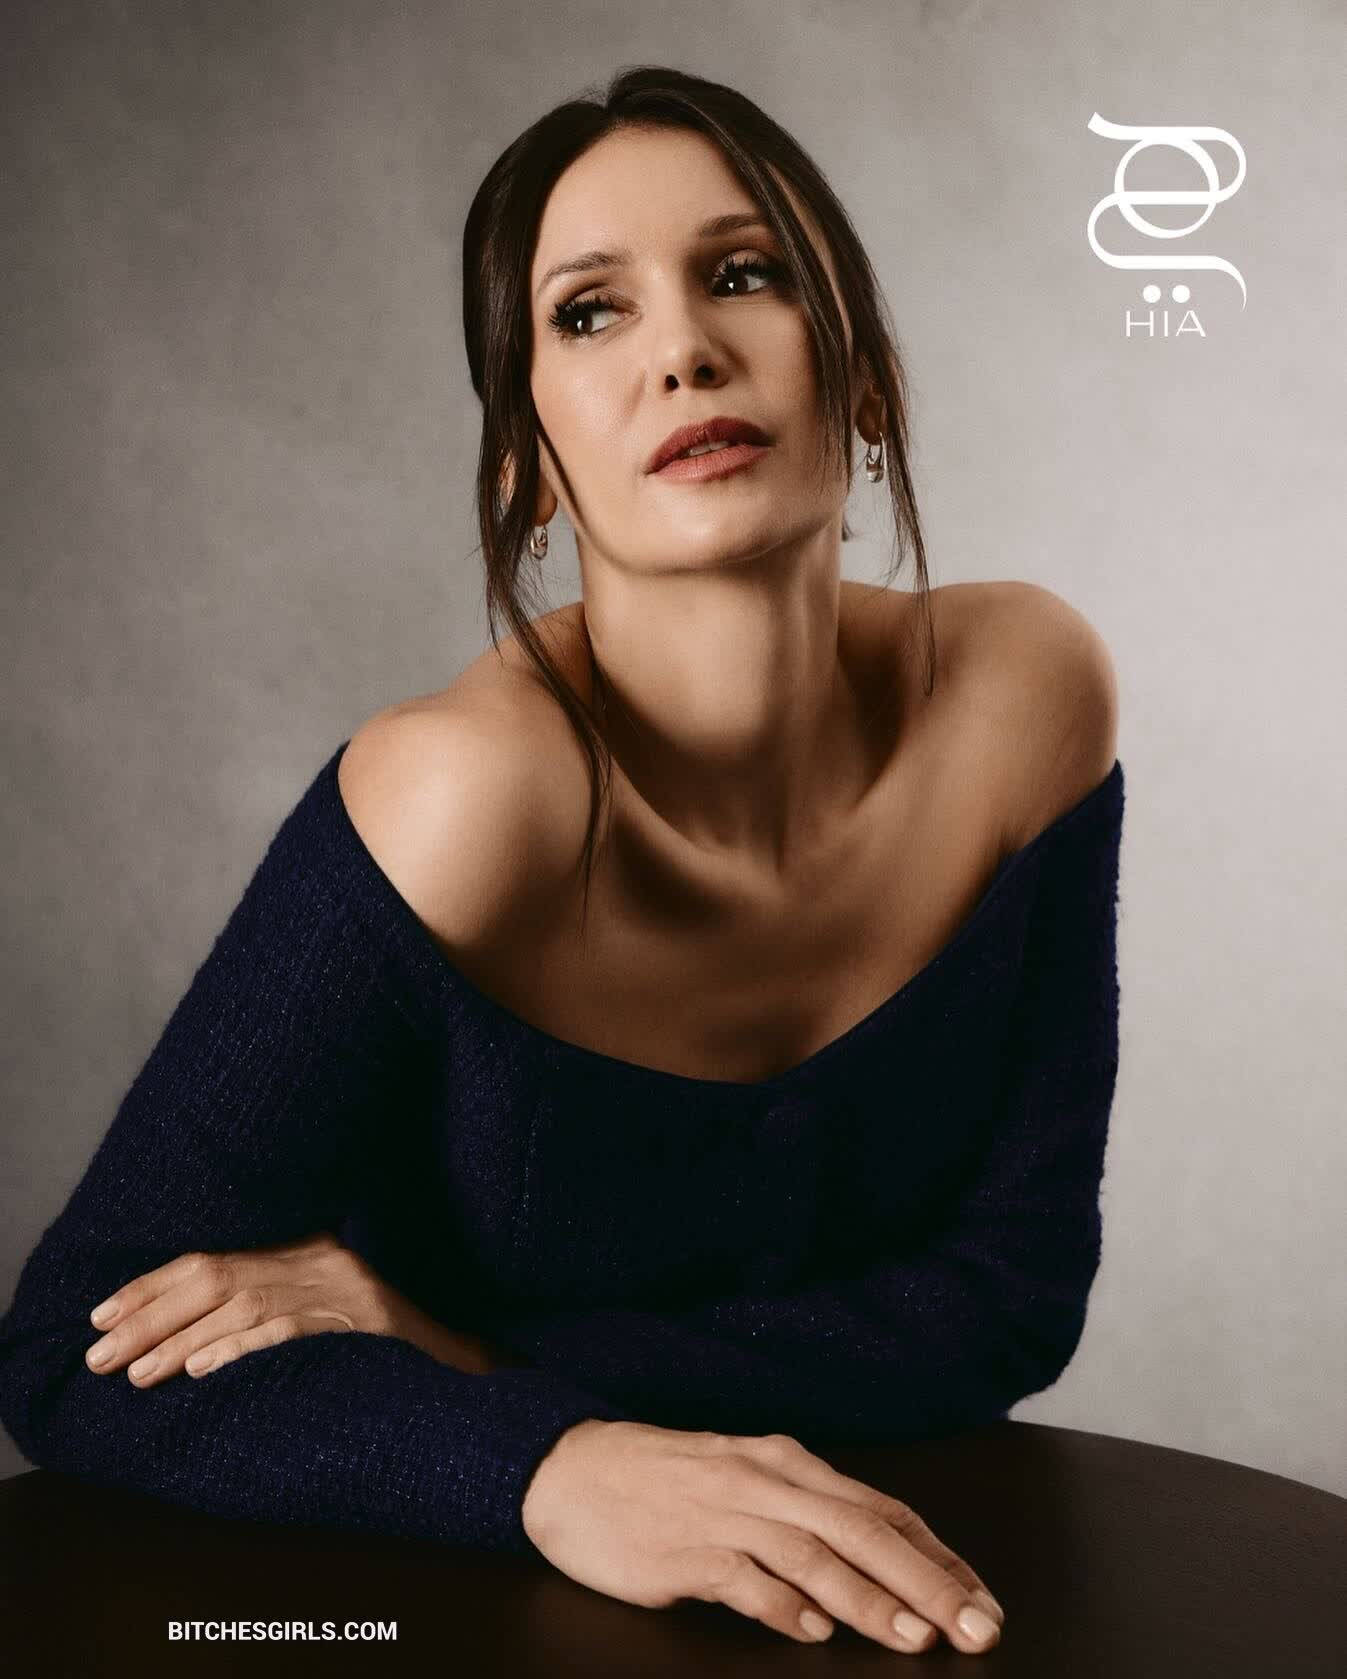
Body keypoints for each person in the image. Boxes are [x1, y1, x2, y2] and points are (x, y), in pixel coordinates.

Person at [0, 66, 1125, 1660]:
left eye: (747, 274)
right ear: (524, 459)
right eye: (590, 313)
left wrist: (462, 1350)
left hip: (868, 1586)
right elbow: (66, 1352)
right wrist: (540, 1464)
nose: (685, 350)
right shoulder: (464, 800)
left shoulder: (1024, 704)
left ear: (866, 380)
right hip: (433, 1614)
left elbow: (1008, 1298)